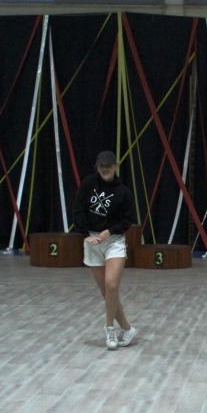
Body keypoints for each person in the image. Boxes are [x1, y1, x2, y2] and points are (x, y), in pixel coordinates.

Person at [71, 150, 138, 350]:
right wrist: (85, 235)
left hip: (114, 240)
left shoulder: (123, 191)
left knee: (112, 284)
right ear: (97, 168)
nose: (106, 169)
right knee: (107, 292)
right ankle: (127, 328)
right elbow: (77, 209)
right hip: (93, 242)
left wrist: (110, 232)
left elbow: (128, 219)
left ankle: (109, 329)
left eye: (109, 165)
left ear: (115, 167)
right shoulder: (88, 184)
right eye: (102, 166)